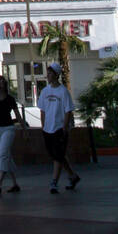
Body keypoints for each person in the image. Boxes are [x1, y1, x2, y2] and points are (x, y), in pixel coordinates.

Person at [38, 61, 80, 193]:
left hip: (59, 128)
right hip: (48, 129)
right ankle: (73, 176)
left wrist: (64, 127)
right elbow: (42, 110)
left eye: (51, 73)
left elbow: (68, 110)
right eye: (48, 73)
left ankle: (54, 182)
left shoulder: (63, 92)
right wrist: (43, 125)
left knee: (57, 156)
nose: (48, 75)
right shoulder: (45, 91)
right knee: (57, 155)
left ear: (56, 75)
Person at [0, 74, 25, 194]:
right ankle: (15, 184)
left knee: (2, 154)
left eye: (2, 82)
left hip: (8, 128)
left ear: (5, 85)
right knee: (6, 155)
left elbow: (17, 115)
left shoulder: (10, 98)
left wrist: (24, 129)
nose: (0, 84)